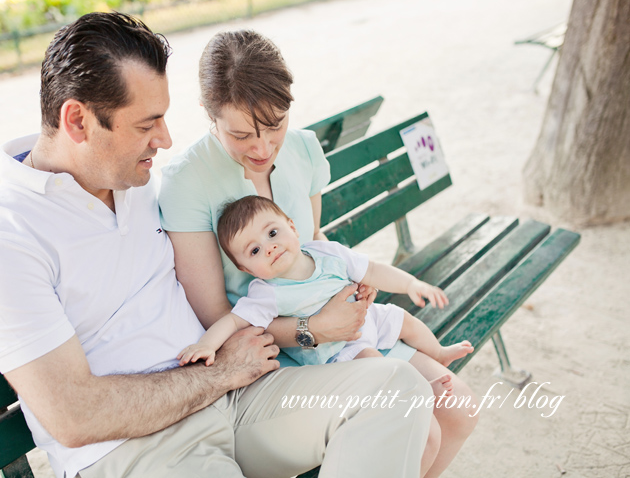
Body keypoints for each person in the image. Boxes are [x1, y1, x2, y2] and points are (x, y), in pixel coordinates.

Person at [0, 12, 435, 478]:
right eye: (147, 125)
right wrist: (219, 373)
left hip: (238, 401)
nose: (164, 140)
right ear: (78, 121)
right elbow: (74, 415)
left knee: (397, 389)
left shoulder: (134, 184)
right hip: (140, 448)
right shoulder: (5, 242)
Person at [159, 29, 479, 478]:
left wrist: (350, 304)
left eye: (275, 125)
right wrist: (315, 329)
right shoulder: (185, 182)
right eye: (241, 134)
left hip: (345, 332)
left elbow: (314, 241)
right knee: (419, 431)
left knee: (458, 408)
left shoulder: (305, 148)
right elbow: (216, 316)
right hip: (272, 356)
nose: (263, 148)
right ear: (207, 115)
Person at [178, 196, 473, 396]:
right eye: (254, 251)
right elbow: (232, 322)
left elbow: (372, 270)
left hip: (366, 319)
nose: (268, 247)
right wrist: (205, 345)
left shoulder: (326, 252)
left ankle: (439, 352)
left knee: (404, 319)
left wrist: (410, 285)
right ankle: (421, 390)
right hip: (337, 351)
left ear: (292, 227)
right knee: (376, 364)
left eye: (272, 233)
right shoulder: (267, 293)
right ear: (246, 269)